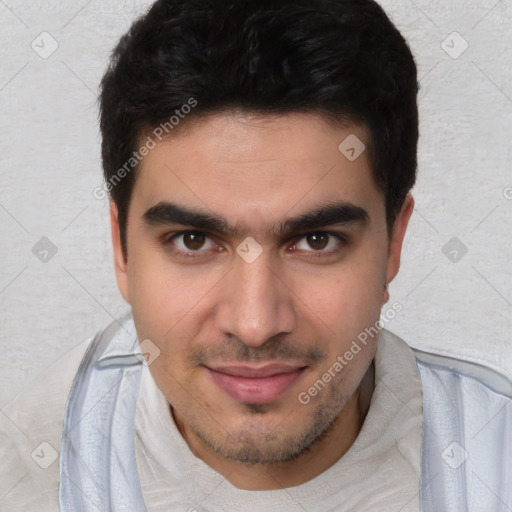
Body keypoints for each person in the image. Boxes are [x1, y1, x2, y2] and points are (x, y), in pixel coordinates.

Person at [1, 0, 511, 510]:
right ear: (122, 249)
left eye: (316, 241)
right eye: (194, 241)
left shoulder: (496, 457)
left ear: (393, 244)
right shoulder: (32, 467)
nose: (254, 324)